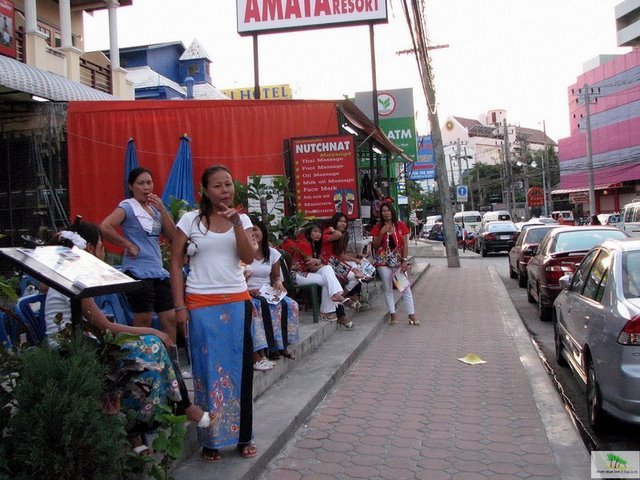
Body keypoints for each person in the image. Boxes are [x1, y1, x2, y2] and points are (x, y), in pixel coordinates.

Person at [43, 221, 210, 455]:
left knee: (151, 347)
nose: (104, 252)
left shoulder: (66, 276)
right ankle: (177, 410)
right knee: (149, 351)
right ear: (90, 248)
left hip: (83, 344)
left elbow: (100, 328)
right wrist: (151, 331)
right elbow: (106, 326)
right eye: (102, 245)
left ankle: (172, 413)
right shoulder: (74, 280)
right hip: (71, 352)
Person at [170, 165, 258, 462]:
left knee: (241, 372)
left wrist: (235, 225)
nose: (225, 190)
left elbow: (248, 258)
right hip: (200, 305)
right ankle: (211, 440)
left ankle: (243, 436)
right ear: (205, 190)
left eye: (229, 185)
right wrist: (179, 306)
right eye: (218, 186)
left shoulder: (241, 219)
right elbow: (175, 264)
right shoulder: (189, 220)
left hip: (237, 301)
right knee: (207, 374)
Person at [100, 167, 178, 344]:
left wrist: (163, 210)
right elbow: (105, 226)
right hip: (137, 271)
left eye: (149, 183)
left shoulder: (155, 209)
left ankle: (172, 363)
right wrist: (128, 244)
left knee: (170, 318)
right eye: (140, 183)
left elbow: (173, 236)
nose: (146, 187)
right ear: (131, 186)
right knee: (144, 320)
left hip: (157, 270)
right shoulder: (128, 206)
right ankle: (143, 362)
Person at [245, 219, 299, 361]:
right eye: (250, 230)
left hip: (267, 290)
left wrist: (278, 283)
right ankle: (270, 347)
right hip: (248, 290)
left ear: (262, 231)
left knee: (290, 304)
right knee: (264, 307)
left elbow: (275, 276)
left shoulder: (272, 253)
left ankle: (283, 344)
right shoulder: (243, 252)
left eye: (256, 229)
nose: (253, 233)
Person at [292, 222, 353, 328]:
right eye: (315, 231)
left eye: (320, 232)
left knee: (328, 270)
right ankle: (331, 304)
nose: (318, 234)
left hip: (308, 272)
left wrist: (319, 262)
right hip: (298, 275)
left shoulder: (314, 244)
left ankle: (334, 299)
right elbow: (311, 266)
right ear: (308, 232)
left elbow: (315, 265)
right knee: (327, 278)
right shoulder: (304, 244)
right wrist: (319, 262)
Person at [371, 202, 418, 326]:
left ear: (392, 211)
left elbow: (404, 244)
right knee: (388, 288)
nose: (386, 213)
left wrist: (404, 260)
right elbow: (375, 245)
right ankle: (393, 315)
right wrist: (381, 232)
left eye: (388, 210)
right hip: (382, 262)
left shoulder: (400, 225)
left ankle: (411, 315)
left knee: (404, 288)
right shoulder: (378, 227)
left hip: (397, 261)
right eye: (383, 211)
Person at [322, 213, 368, 306]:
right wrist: (354, 265)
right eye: (340, 221)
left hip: (335, 262)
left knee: (356, 270)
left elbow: (340, 254)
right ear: (335, 222)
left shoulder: (343, 234)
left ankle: (342, 297)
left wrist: (356, 257)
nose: (343, 224)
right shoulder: (329, 233)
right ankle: (341, 298)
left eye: (344, 222)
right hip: (328, 263)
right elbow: (340, 256)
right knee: (356, 275)